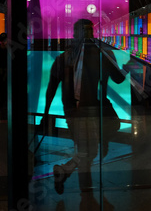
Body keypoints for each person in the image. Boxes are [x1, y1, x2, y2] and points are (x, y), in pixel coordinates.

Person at [44, 19, 127, 195]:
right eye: (85, 31)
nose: (87, 35)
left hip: (82, 109)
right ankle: (85, 194)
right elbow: (118, 78)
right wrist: (128, 69)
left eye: (89, 31)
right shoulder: (101, 55)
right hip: (82, 111)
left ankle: (65, 171)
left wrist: (45, 113)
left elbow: (52, 86)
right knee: (88, 153)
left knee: (88, 150)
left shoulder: (66, 57)